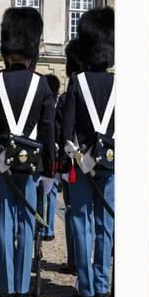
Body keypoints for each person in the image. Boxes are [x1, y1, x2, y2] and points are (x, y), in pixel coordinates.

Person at [0, 7, 56, 297]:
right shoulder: (42, 84)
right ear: (32, 46)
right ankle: (23, 289)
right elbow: (49, 132)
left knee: (3, 226)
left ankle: (7, 288)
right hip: (32, 168)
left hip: (2, 167)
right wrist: (50, 170)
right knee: (26, 225)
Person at [62, 6, 115, 297]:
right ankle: (101, 287)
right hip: (110, 165)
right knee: (104, 225)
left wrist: (77, 156)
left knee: (81, 224)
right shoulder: (119, 84)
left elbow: (67, 131)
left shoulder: (76, 82)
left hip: (81, 165)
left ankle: (85, 289)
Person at [55, 38, 84, 275]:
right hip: (105, 161)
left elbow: (60, 132)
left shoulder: (66, 97)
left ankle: (75, 261)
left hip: (74, 164)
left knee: (74, 212)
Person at [42, 74, 61, 241]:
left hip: (41, 152)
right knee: (52, 193)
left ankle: (40, 227)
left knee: (40, 191)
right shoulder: (57, 106)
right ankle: (49, 230)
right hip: (55, 154)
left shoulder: (43, 104)